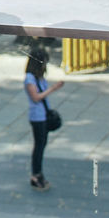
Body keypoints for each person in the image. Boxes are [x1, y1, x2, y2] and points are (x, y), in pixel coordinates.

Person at [24, 47, 63, 191]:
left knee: (42, 145)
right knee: (39, 147)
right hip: (37, 117)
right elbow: (35, 97)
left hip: (43, 116)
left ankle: (38, 174)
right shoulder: (30, 78)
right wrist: (53, 88)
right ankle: (36, 175)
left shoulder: (38, 76)